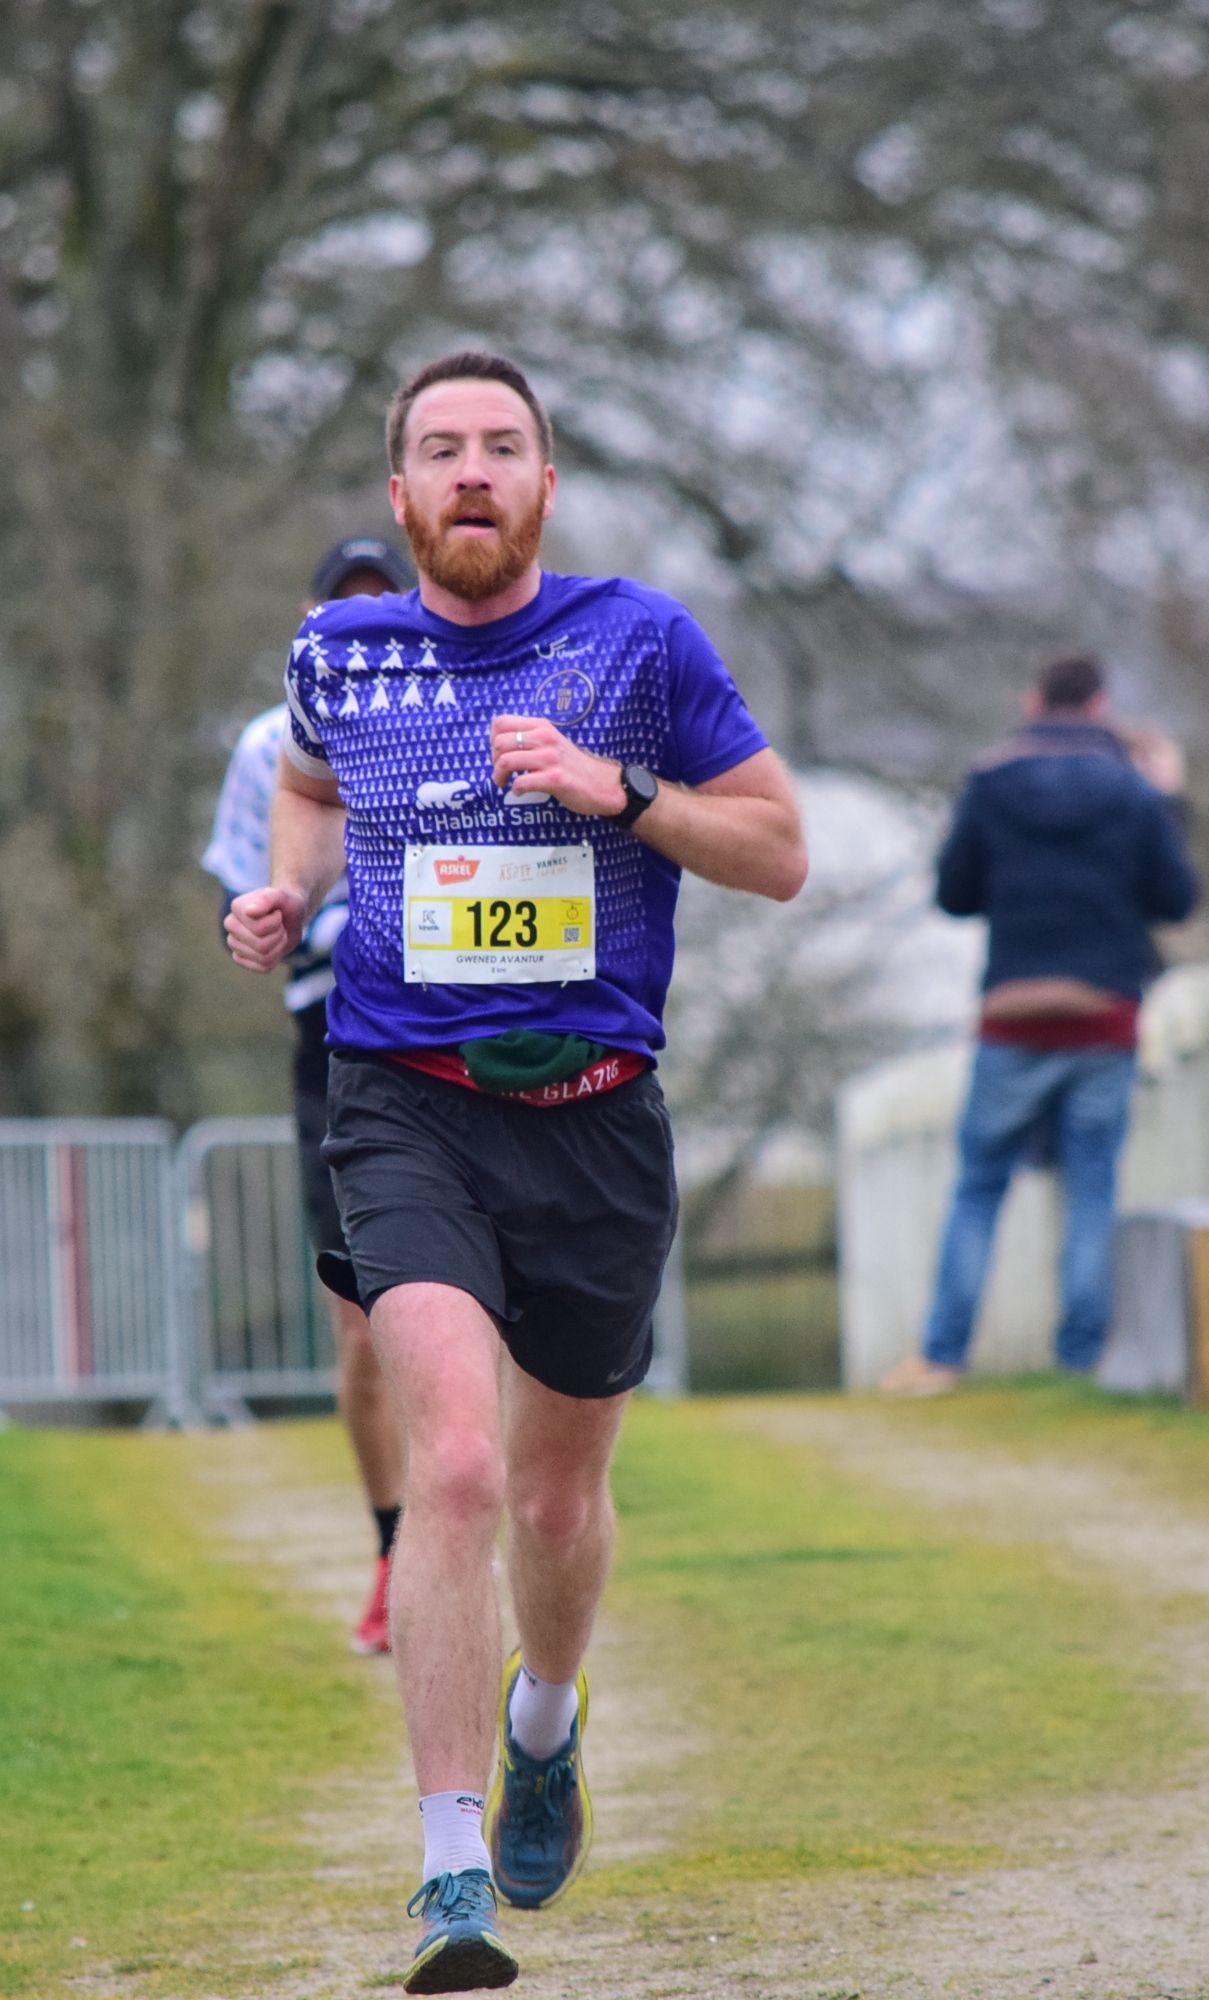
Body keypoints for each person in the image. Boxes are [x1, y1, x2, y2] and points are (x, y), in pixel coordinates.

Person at [224, 349, 805, 1994]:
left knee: (554, 1497)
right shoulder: (339, 653)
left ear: (545, 484)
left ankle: (544, 1722)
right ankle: (449, 1870)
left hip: (596, 1118)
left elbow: (779, 851)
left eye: (501, 446)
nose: (471, 470)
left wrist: (622, 791)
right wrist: (284, 893)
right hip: (403, 1103)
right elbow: (307, 781)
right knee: (461, 1469)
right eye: (440, 449)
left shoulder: (640, 644)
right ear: (400, 494)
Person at [203, 534, 422, 1654]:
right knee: (364, 1323)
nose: (365, 625)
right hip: (332, 1037)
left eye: (386, 603)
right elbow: (246, 894)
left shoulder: (456, 717)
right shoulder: (268, 745)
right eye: (346, 607)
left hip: (451, 1026)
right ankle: (395, 1551)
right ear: (310, 619)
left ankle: (468, 1541)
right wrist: (266, 918)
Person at [882, 654, 1199, 1398]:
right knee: (1092, 1190)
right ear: (1100, 707)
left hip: (1012, 1016)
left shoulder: (990, 782)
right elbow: (1177, 899)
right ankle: (1082, 1358)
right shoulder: (1131, 789)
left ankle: (943, 1357)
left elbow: (955, 895)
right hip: (1105, 1016)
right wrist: (1168, 800)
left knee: (979, 1188)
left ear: (1033, 702)